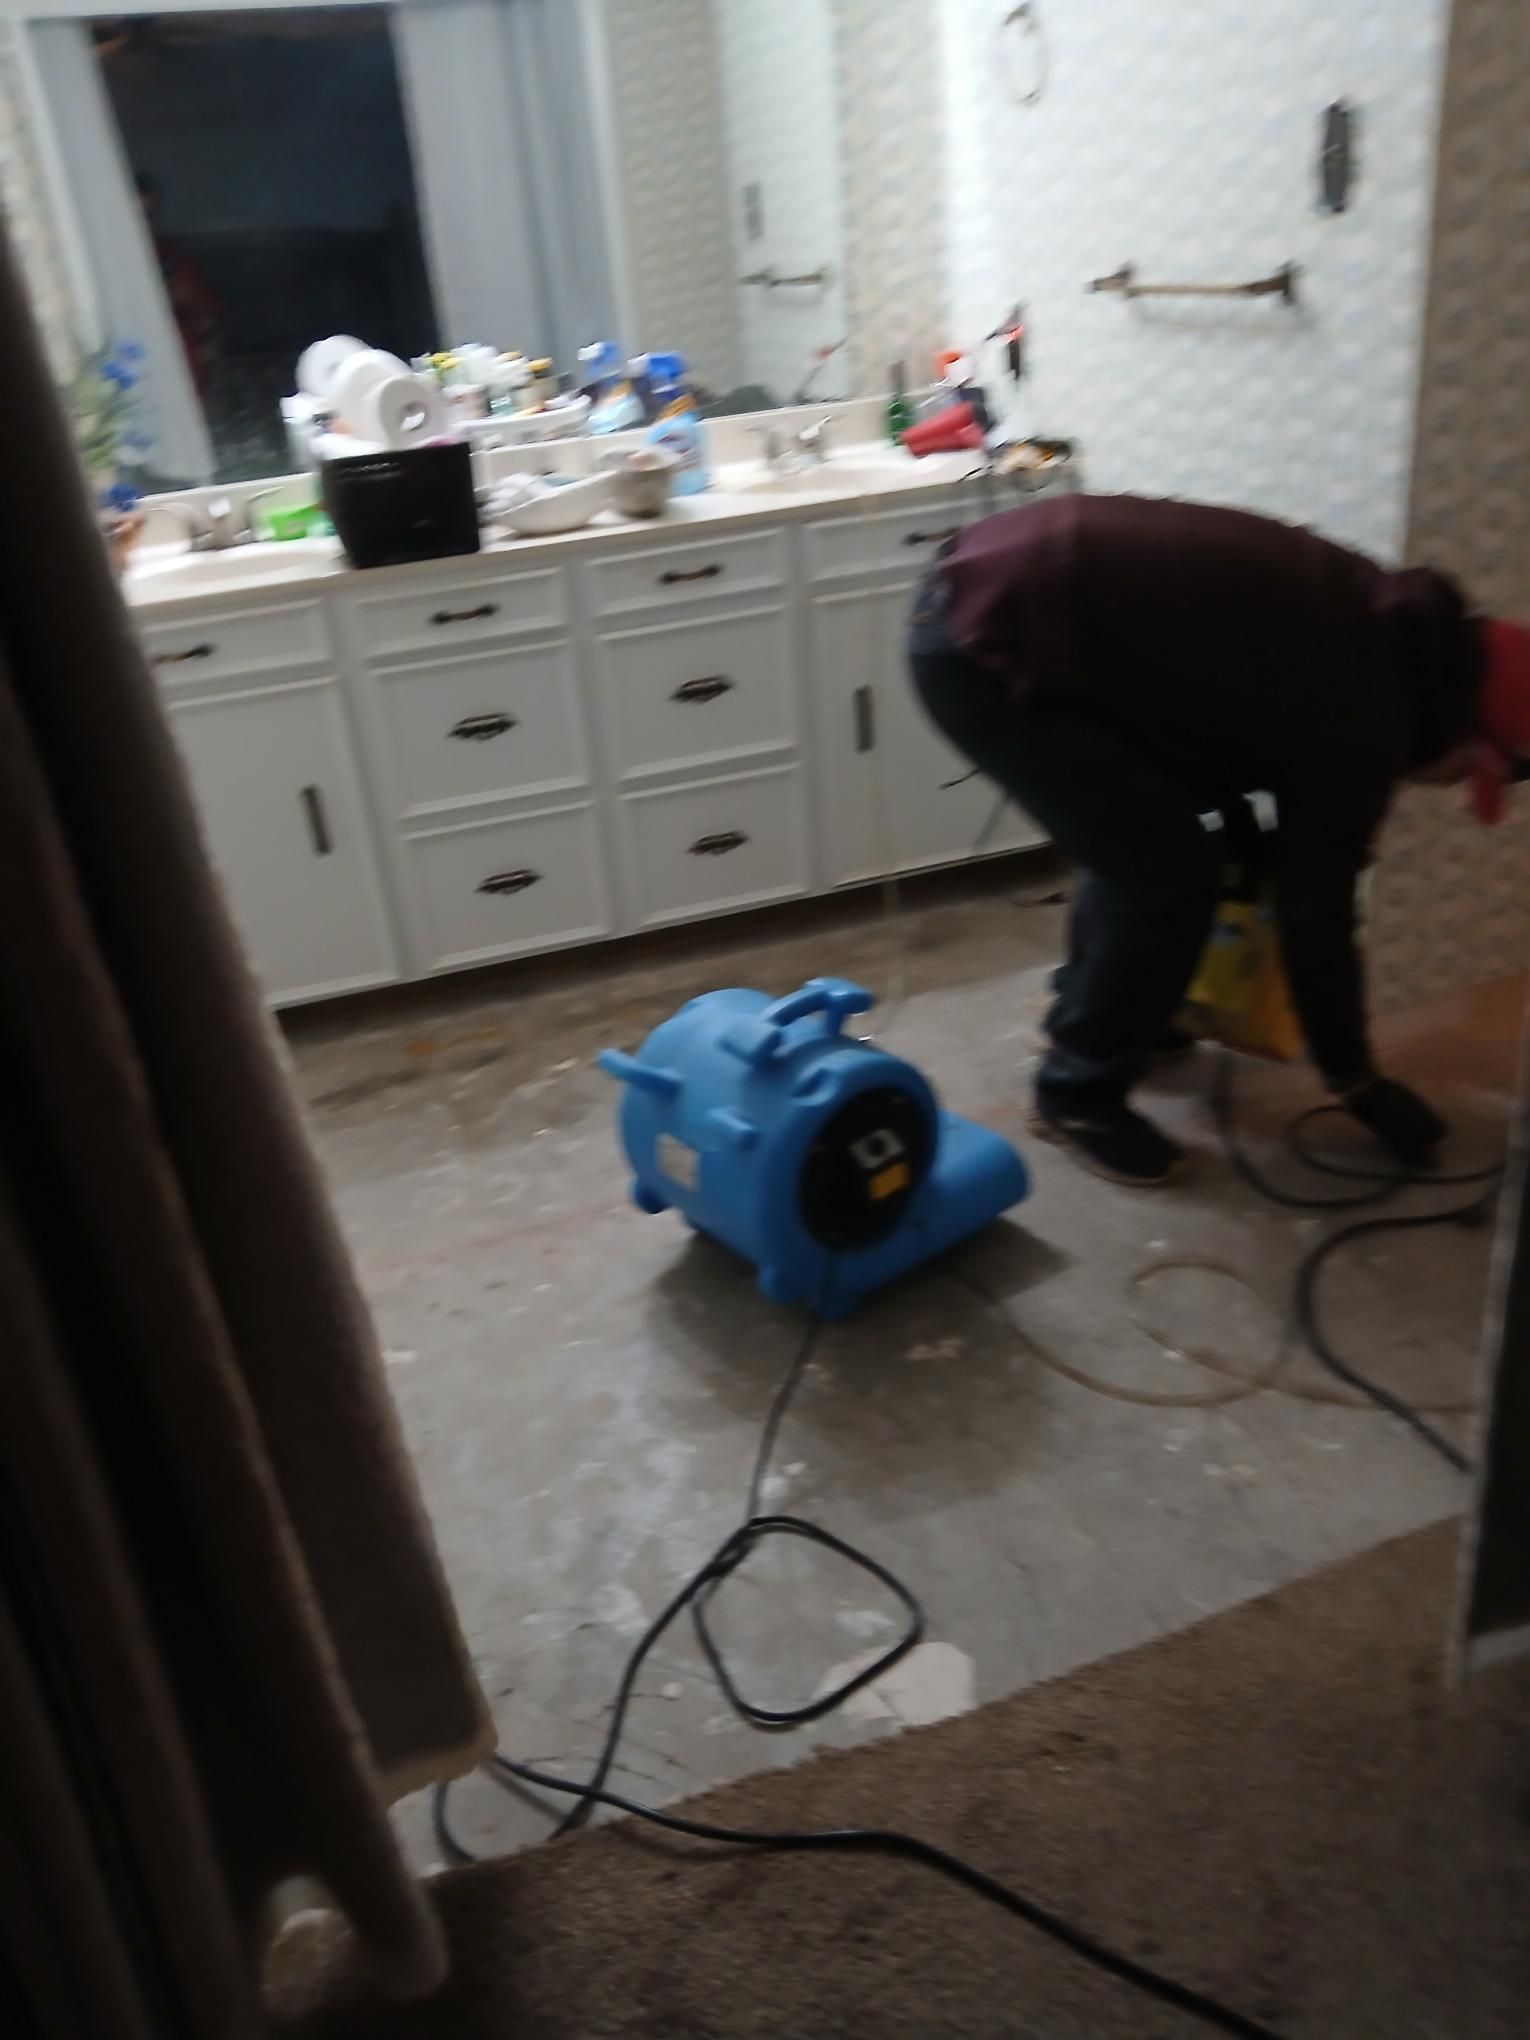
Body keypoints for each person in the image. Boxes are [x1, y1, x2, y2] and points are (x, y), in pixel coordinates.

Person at [908, 493, 1530, 1187]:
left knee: (1146, 846)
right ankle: (1075, 1094)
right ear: (1470, 736)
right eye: (1464, 775)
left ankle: (1114, 1015)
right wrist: (1354, 1079)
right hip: (983, 645)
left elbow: (1225, 729)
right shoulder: (1368, 716)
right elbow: (1316, 910)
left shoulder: (1395, 634)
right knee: (1159, 872)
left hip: (1005, 591)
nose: (1444, 785)